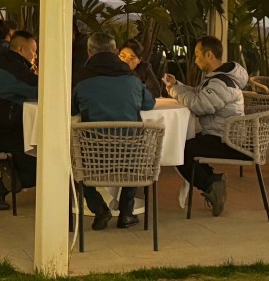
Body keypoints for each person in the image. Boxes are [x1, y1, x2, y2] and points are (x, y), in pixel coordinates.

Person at [72, 32, 156, 231]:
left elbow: (72, 109)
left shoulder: (81, 80)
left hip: (94, 157)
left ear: (89, 52)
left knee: (72, 164)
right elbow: (149, 103)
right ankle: (126, 213)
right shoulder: (132, 80)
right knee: (135, 152)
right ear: (116, 51)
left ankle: (99, 209)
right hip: (130, 157)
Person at [163, 35, 247, 217]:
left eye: (196, 55)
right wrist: (176, 85)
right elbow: (198, 94)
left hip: (228, 141)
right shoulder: (218, 79)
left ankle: (211, 184)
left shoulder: (221, 83)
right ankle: (213, 181)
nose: (195, 60)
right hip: (223, 134)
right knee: (183, 147)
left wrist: (174, 90)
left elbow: (199, 105)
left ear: (208, 55)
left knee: (180, 151)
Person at [0, 30, 39, 211]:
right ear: (21, 50)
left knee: (38, 161)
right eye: (33, 51)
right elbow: (41, 89)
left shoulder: (6, 64)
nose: (35, 56)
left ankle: (9, 174)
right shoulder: (15, 71)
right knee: (42, 167)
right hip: (1, 134)